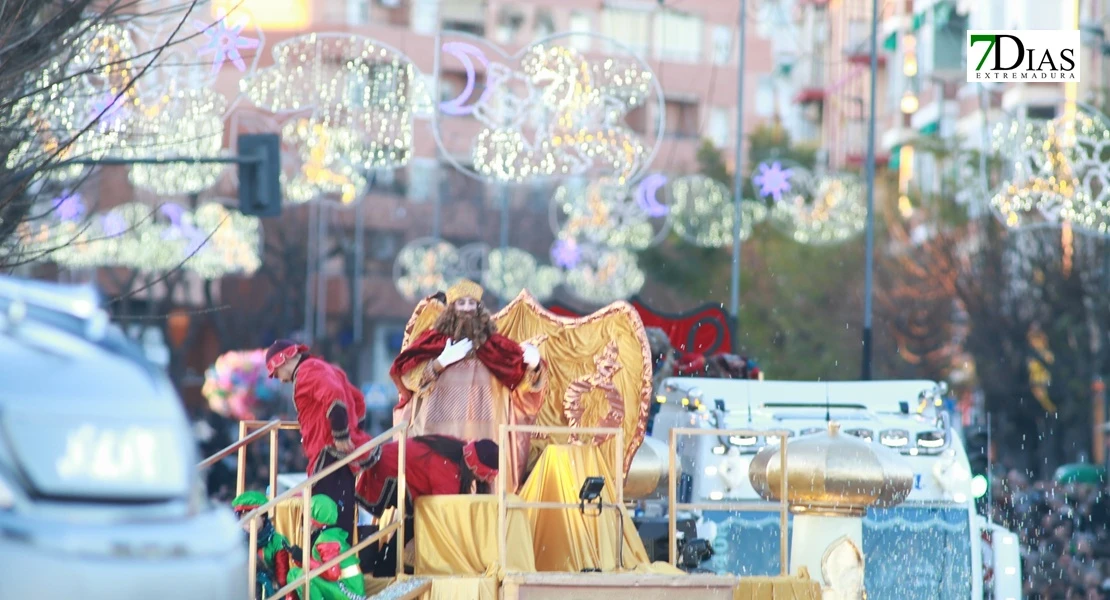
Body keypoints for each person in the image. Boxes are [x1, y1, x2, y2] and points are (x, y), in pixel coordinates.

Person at [389, 279, 545, 491]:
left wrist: (534, 366)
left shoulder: (495, 347)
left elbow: (521, 385)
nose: (466, 309)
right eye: (461, 304)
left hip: (485, 434)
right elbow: (409, 377)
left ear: (478, 308)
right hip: (438, 434)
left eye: (471, 304)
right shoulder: (432, 342)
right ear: (451, 308)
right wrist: (439, 363)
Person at [267, 340, 373, 540]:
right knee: (341, 518)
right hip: (340, 455)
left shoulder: (308, 371)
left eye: (276, 373)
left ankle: (328, 569)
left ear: (284, 359)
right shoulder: (326, 368)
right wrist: (354, 434)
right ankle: (339, 566)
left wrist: (341, 433)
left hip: (327, 453)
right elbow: (358, 401)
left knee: (325, 519)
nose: (279, 379)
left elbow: (334, 396)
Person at [355, 435, 499, 515]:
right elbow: (444, 514)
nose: (484, 480)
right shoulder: (448, 472)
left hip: (389, 464)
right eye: (484, 476)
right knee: (372, 535)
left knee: (413, 523)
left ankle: (385, 563)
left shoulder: (456, 450)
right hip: (386, 471)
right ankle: (378, 564)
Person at [287, 494, 366, 600]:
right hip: (349, 587)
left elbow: (332, 573)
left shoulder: (327, 539)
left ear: (315, 518)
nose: (303, 521)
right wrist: (300, 559)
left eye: (305, 516)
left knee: (301, 576)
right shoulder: (331, 534)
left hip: (349, 592)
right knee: (295, 572)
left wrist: (304, 559)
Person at [232, 491, 293, 600]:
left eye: (252, 517)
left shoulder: (277, 541)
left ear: (263, 517)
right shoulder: (236, 541)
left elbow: (282, 580)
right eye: (244, 518)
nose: (248, 523)